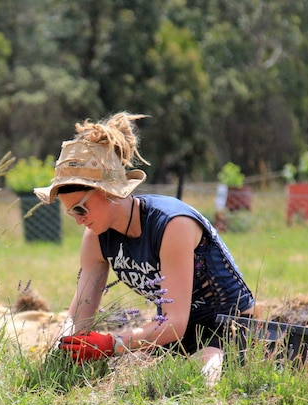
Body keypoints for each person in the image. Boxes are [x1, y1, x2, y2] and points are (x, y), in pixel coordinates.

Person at [33, 112, 255, 383]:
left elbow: (174, 322)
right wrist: (63, 346)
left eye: (80, 207)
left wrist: (113, 343)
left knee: (207, 370)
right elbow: (80, 315)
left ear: (109, 192)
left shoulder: (173, 224)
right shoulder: (95, 237)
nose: (78, 219)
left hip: (233, 332)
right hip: (176, 337)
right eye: (70, 213)